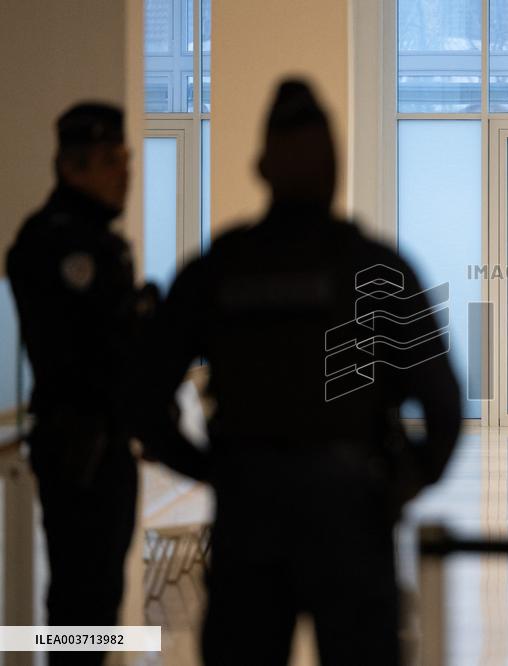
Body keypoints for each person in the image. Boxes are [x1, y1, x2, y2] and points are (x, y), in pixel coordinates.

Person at [137, 79, 462, 665]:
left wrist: (214, 472)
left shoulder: (219, 268)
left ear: (261, 166)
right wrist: (395, 488)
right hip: (351, 517)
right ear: (335, 166)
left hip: (248, 514)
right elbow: (443, 407)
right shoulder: (375, 267)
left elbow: (142, 397)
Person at [5, 103, 153, 662]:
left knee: (100, 598)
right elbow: (94, 349)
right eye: (111, 162)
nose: (126, 174)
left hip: (107, 443)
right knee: (80, 602)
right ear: (72, 168)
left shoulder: (98, 240)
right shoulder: (58, 242)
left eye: (127, 159)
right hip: (79, 445)